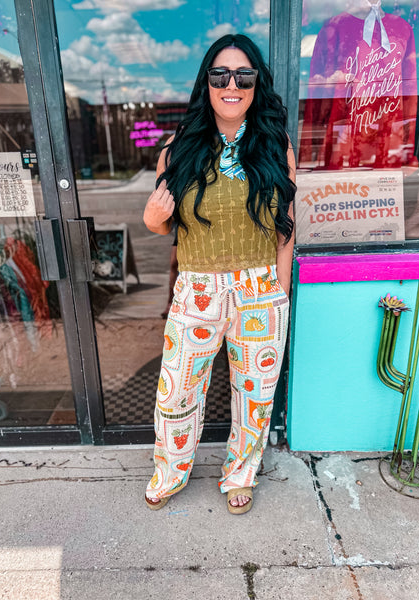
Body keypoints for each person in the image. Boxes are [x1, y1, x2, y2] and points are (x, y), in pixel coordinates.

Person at [143, 34, 296, 514]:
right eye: (220, 75)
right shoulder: (179, 148)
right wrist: (150, 219)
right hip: (197, 289)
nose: (232, 85)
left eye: (243, 76)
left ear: (256, 84)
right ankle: (170, 472)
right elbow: (162, 221)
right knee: (176, 392)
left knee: (255, 398)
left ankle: (240, 474)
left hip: (260, 289)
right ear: (206, 83)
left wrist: (280, 292)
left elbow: (286, 229)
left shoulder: (275, 145)